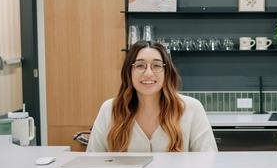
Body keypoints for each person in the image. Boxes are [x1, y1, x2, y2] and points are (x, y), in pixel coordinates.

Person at [87, 41, 217, 152]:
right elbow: (92, 161)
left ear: (166, 72)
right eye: (140, 65)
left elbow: (209, 161)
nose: (148, 73)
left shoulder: (191, 108)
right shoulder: (110, 109)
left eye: (156, 66)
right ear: (129, 72)